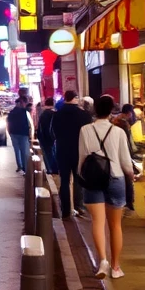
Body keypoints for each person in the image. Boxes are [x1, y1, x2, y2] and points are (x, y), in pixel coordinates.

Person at [78, 95, 133, 280]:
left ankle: (102, 261)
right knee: (115, 225)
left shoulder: (85, 130)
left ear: (95, 110)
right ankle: (116, 267)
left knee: (97, 223)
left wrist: (80, 175)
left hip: (93, 179)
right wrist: (131, 176)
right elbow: (126, 162)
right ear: (111, 111)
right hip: (115, 178)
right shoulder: (118, 132)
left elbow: (82, 157)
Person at [53, 90, 92, 219]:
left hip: (62, 151)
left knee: (64, 180)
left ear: (65, 98)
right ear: (75, 98)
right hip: (79, 151)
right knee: (78, 179)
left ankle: (65, 210)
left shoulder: (57, 114)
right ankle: (79, 206)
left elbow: (52, 132)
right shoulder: (84, 115)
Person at [111, 111, 138, 212]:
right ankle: (129, 202)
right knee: (127, 179)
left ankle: (124, 202)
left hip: (114, 159)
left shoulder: (115, 130)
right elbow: (127, 147)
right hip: (123, 157)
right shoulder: (123, 130)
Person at [7, 96, 33, 174]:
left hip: (13, 133)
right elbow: (30, 123)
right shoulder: (25, 112)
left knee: (17, 150)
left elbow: (8, 123)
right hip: (23, 134)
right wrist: (30, 134)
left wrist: (9, 132)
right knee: (24, 151)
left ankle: (19, 166)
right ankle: (25, 168)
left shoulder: (11, 112)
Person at [38, 98, 58, 175]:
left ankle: (50, 169)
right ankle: (53, 169)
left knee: (47, 154)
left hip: (43, 137)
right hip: (50, 137)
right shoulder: (53, 113)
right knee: (52, 153)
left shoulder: (43, 114)